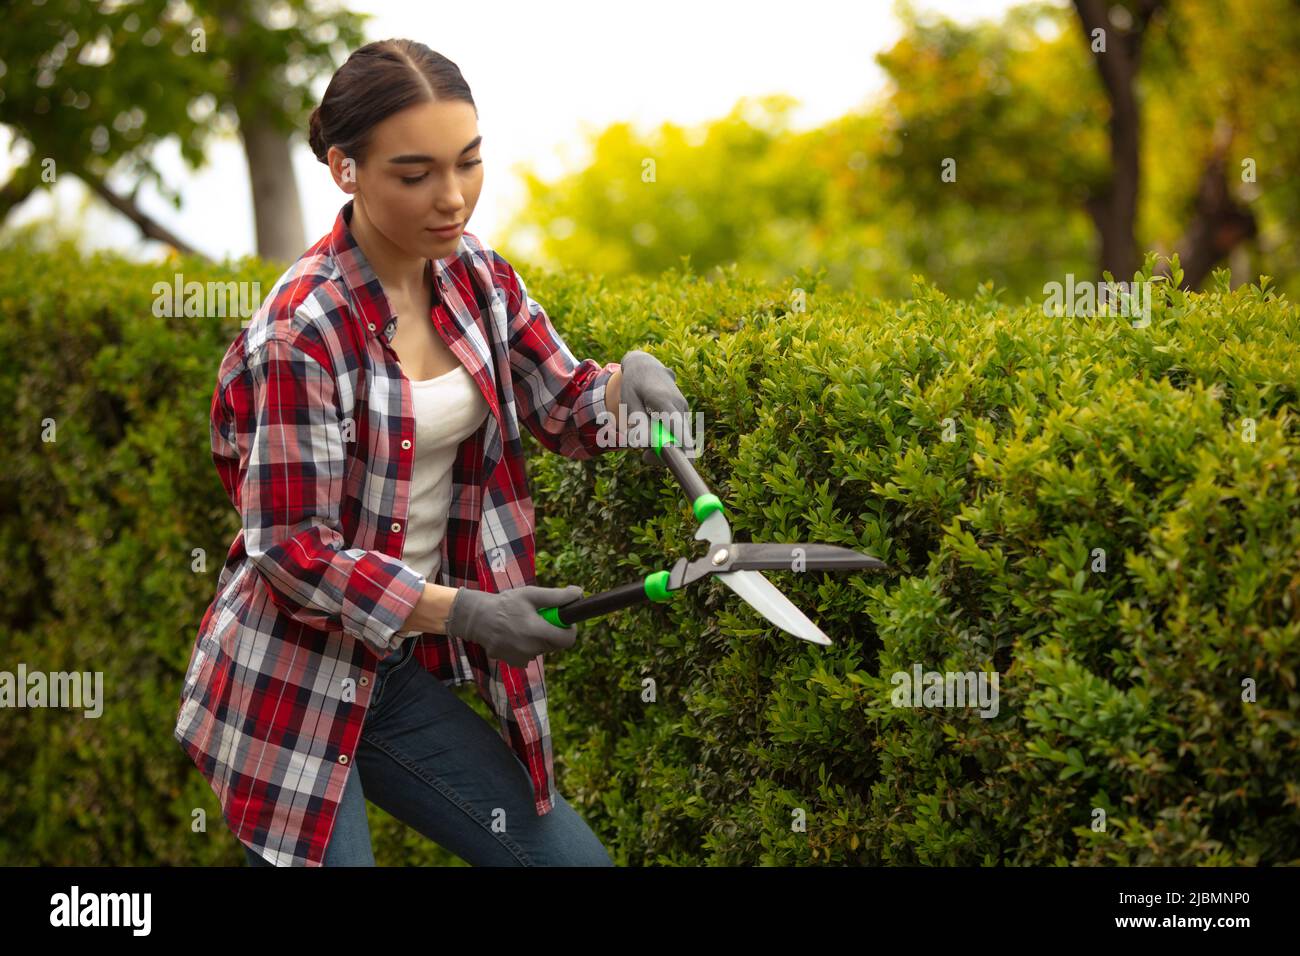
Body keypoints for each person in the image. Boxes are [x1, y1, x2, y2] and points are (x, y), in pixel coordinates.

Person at [172, 37, 692, 866]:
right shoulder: (301, 332)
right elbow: (292, 551)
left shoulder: (475, 275)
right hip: (291, 681)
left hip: (391, 674)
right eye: (415, 175)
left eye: (469, 163)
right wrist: (469, 612)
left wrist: (630, 384)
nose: (452, 199)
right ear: (346, 169)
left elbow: (564, 404)